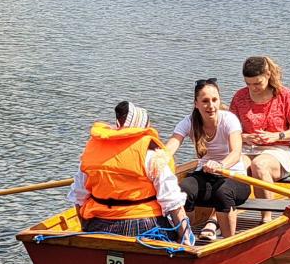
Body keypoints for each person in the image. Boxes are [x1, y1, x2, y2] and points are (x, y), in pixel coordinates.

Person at [69, 101, 195, 244]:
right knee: (174, 236)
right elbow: (171, 200)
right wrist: (185, 235)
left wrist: (85, 229)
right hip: (143, 225)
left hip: (99, 226)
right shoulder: (151, 155)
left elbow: (78, 197)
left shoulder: (92, 154)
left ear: (118, 125)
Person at [163, 78, 251, 244]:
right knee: (182, 190)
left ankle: (228, 243)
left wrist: (221, 165)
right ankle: (186, 239)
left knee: (222, 193)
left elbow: (236, 152)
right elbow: (170, 148)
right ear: (196, 103)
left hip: (234, 176)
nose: (211, 106)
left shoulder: (229, 119)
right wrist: (159, 161)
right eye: (205, 101)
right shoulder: (188, 122)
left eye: (214, 100)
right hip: (206, 175)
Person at [230, 55, 290, 184]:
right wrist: (245, 137)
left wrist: (276, 136)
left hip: (278, 150)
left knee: (259, 165)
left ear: (268, 75)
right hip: (247, 149)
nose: (253, 88)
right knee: (235, 167)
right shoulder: (240, 96)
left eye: (257, 83)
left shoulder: (285, 95)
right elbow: (228, 131)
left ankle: (266, 204)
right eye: (248, 84)